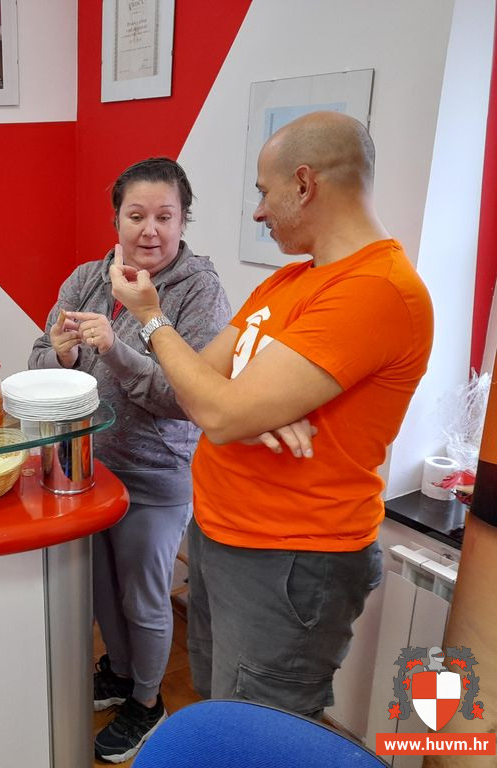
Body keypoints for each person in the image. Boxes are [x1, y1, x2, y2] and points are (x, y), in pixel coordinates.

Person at [109, 112, 434, 718]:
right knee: (219, 709)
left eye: (264, 191)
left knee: (258, 734)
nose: (258, 212)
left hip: (290, 559)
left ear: (304, 184)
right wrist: (249, 403)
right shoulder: (288, 282)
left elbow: (215, 408)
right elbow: (196, 387)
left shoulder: (377, 289)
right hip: (222, 535)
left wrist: (152, 319)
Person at [29, 157, 230, 762]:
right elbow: (38, 363)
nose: (150, 230)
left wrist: (116, 349)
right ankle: (118, 673)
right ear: (116, 219)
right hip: (85, 468)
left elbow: (186, 397)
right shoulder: (87, 279)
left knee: (143, 597)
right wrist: (61, 355)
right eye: (136, 215)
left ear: (184, 221)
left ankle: (148, 702)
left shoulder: (198, 292)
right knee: (101, 589)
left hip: (155, 472)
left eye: (164, 216)